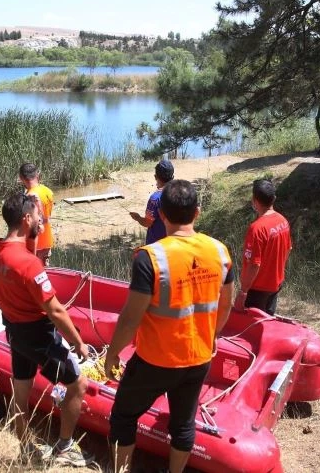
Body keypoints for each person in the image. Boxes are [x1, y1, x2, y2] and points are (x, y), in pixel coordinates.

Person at [106, 179, 234, 473]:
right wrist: (212, 336)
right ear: (197, 212)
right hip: (199, 357)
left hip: (156, 360)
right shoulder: (220, 252)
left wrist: (113, 352)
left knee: (124, 416)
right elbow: (224, 305)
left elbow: (130, 318)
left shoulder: (150, 257)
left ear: (161, 214)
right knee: (183, 423)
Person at [0, 192, 94, 467]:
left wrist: (33, 233)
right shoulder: (29, 265)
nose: (41, 218)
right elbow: (56, 310)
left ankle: (24, 446)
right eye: (37, 215)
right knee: (78, 385)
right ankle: (65, 447)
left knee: (21, 389)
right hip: (39, 336)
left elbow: (23, 257)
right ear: (25, 218)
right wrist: (79, 343)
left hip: (15, 331)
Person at [235, 179, 292, 316]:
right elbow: (288, 249)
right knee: (267, 324)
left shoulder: (257, 229)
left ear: (254, 200)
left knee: (251, 329)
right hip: (275, 285)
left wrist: (243, 292)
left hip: (257, 290)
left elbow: (254, 264)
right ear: (274, 198)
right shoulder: (283, 221)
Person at [129, 159, 174, 244]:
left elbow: (147, 223)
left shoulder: (155, 198)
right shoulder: (180, 193)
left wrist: (138, 218)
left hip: (157, 247)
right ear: (172, 177)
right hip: (175, 244)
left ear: (156, 177)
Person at [18, 162, 55, 266]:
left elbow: (29, 223)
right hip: (47, 239)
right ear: (37, 175)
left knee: (35, 275)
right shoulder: (48, 191)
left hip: (35, 243)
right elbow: (47, 216)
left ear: (21, 178)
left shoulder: (30, 196)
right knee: (44, 274)